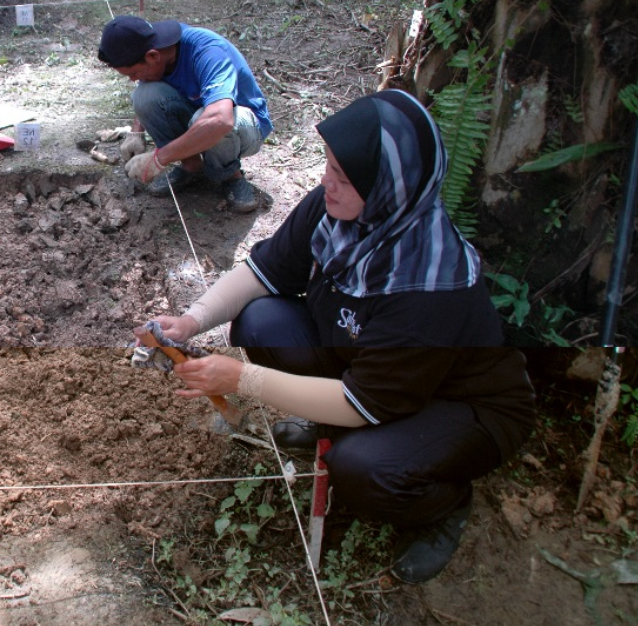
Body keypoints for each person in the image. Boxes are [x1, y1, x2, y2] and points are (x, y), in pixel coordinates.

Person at [136, 89, 536, 583]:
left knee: (363, 468)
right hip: (374, 370)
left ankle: (442, 505)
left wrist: (240, 378)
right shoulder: (339, 211)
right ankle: (332, 426)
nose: (327, 181)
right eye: (329, 165)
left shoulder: (429, 287)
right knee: (260, 321)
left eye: (344, 176)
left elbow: (363, 401)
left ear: (390, 188)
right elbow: (264, 272)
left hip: (462, 404)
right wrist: (193, 320)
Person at [97, 15, 274, 213]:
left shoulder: (208, 51)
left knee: (206, 119)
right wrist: (136, 132)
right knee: (144, 95)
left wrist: (159, 158)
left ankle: (230, 176)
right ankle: (191, 166)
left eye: (133, 73)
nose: (132, 79)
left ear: (153, 56)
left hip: (246, 126)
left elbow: (221, 120)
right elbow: (146, 85)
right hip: (199, 113)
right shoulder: (152, 46)